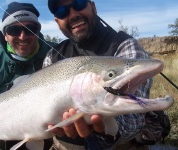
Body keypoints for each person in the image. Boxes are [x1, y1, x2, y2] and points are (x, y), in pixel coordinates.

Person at [42, 0, 153, 149]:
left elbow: (134, 120)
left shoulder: (125, 46)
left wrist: (103, 127)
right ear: (57, 22)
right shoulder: (52, 56)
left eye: (79, 4)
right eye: (62, 12)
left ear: (93, 7)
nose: (73, 14)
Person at [0, 2, 56, 150]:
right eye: (14, 30)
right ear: (5, 35)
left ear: (38, 31)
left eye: (29, 29)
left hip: (51, 130)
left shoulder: (57, 53)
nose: (22, 36)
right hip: (2, 131)